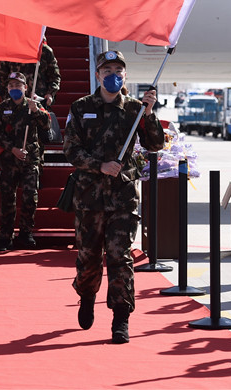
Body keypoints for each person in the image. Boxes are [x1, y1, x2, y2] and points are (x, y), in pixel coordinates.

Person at [63, 50, 164, 344]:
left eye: (118, 70)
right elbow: (70, 149)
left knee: (120, 256)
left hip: (123, 196)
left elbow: (155, 144)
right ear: (98, 75)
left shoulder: (134, 109)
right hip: (89, 196)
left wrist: (149, 114)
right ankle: (86, 296)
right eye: (107, 70)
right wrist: (99, 165)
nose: (113, 75)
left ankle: (121, 317)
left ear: (125, 75)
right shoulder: (81, 107)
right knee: (89, 256)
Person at [0, 72, 50, 251]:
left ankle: (26, 232)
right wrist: (12, 148)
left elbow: (46, 125)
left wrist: (36, 111)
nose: (14, 88)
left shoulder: (34, 105)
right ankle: (5, 237)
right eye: (11, 86)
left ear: (25, 87)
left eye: (18, 85)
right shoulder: (2, 108)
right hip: (9, 159)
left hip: (30, 158)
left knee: (30, 196)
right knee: (7, 198)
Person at [0, 39, 61, 108]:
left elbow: (54, 76)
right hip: (15, 101)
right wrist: (7, 99)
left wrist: (50, 93)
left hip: (39, 99)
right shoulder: (11, 51)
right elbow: (2, 78)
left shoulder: (44, 51)